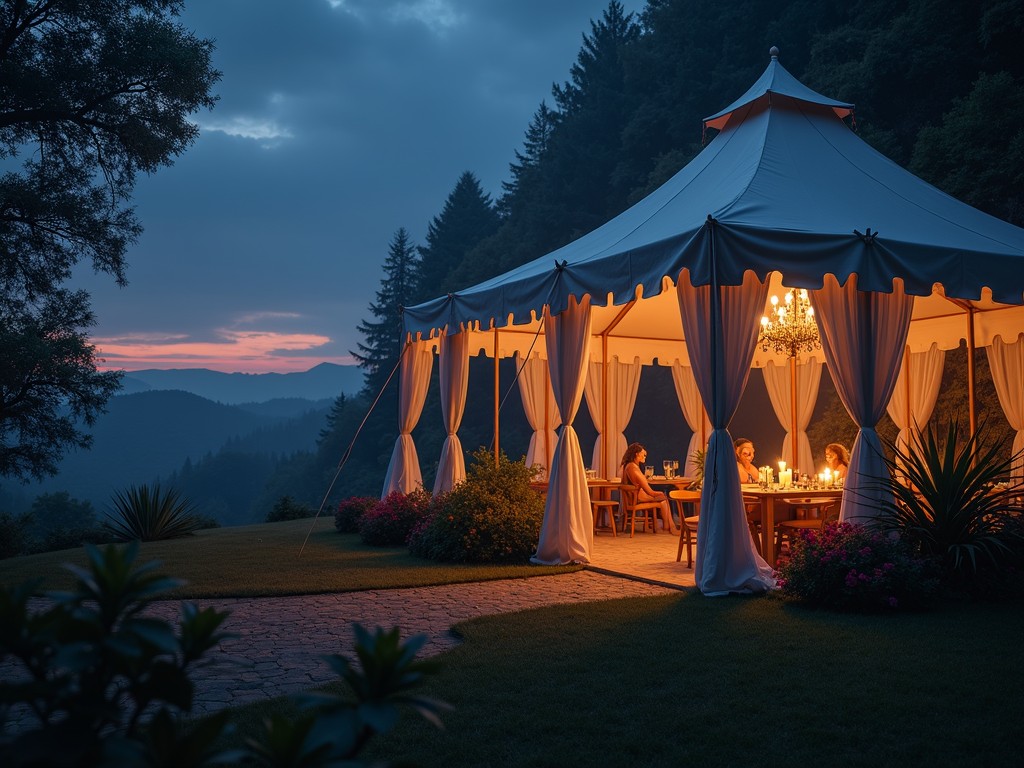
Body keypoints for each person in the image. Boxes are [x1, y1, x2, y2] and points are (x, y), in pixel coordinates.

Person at [621, 442, 678, 534]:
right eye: (643, 455)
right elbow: (650, 492)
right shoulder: (633, 468)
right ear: (637, 454)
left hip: (634, 497)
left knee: (663, 500)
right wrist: (660, 494)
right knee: (663, 497)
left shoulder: (628, 465)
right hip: (637, 498)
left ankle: (668, 527)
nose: (645, 457)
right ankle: (670, 527)